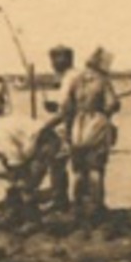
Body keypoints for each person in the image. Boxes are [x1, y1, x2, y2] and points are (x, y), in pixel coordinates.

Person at [60, 46, 121, 221]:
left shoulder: (73, 78)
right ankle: (96, 206)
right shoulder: (102, 81)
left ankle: (77, 205)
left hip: (77, 127)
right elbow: (111, 105)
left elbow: (65, 106)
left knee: (78, 170)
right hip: (97, 125)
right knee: (96, 169)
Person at [0, 111, 59, 218]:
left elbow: (16, 159)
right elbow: (18, 155)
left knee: (26, 184)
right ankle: (41, 201)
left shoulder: (2, 132)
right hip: (43, 139)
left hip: (45, 142)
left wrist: (18, 180)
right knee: (19, 175)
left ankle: (32, 215)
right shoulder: (3, 124)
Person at [41, 44, 77, 211]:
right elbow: (70, 105)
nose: (52, 63)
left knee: (56, 162)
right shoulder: (74, 76)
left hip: (73, 127)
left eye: (54, 59)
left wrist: (44, 128)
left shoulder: (69, 79)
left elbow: (66, 112)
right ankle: (64, 200)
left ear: (64, 59)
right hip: (77, 124)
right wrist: (55, 107)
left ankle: (60, 201)